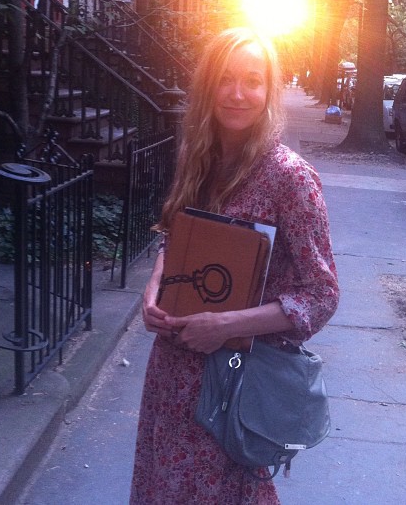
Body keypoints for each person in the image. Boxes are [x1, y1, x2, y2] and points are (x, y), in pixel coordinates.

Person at [130, 27, 339, 504]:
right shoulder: (198, 157)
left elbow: (322, 296)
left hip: (233, 384)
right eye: (225, 79)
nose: (238, 93)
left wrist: (225, 326)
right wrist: (154, 287)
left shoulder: (290, 177)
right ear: (208, 86)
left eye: (252, 80)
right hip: (171, 372)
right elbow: (177, 237)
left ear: (269, 90)